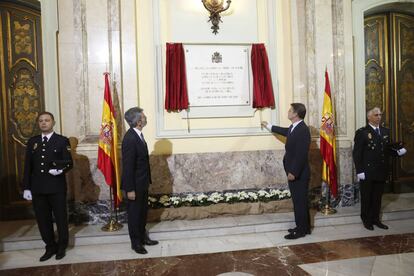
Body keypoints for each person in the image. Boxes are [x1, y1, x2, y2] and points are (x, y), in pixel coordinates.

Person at [22, 111, 73, 261]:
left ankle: (62, 246)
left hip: (56, 187)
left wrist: (60, 170)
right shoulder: (33, 142)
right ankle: (50, 246)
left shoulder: (62, 141)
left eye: (47, 120)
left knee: (61, 218)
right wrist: (26, 187)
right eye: (41, 121)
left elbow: (69, 162)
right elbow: (28, 166)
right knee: (43, 220)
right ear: (38, 124)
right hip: (38, 188)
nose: (44, 123)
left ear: (53, 122)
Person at [261, 103, 311, 239]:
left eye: (290, 110)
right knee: (299, 201)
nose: (288, 112)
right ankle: (304, 227)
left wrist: (293, 172)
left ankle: (301, 231)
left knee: (300, 202)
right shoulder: (295, 127)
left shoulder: (303, 130)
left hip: (298, 174)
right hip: (296, 172)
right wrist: (270, 126)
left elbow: (301, 154)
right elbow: (285, 131)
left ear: (295, 114)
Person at [353, 107, 407, 230]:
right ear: (369, 117)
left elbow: (388, 150)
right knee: (367, 197)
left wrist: (398, 152)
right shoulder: (362, 132)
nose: (379, 117)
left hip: (381, 170)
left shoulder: (385, 131)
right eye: (376, 115)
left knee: (377, 197)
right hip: (367, 171)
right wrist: (359, 171)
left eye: (380, 115)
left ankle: (376, 219)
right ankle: (366, 220)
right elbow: (357, 154)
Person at [122, 107, 158, 254]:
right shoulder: (130, 138)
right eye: (143, 116)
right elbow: (128, 166)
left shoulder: (138, 135)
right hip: (134, 185)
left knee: (142, 212)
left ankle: (143, 237)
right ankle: (135, 243)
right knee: (135, 214)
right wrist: (129, 189)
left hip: (142, 183)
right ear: (138, 121)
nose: (145, 118)